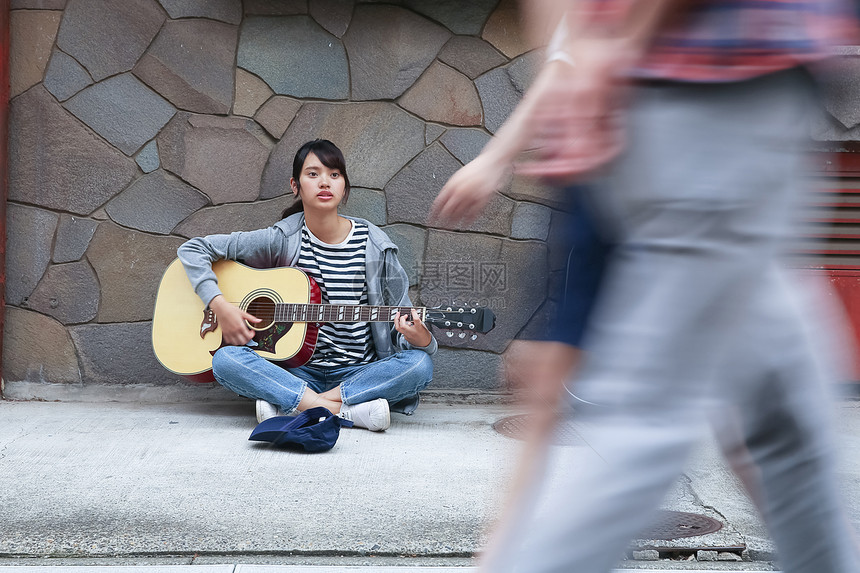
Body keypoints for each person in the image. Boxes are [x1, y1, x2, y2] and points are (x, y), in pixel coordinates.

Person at [433, 1, 860, 571]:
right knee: (647, 426)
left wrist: (590, 59)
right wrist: (616, 41)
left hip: (736, 101)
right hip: (709, 98)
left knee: (785, 420)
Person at [178, 139, 436, 431]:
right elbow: (193, 249)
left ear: (344, 186)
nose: (325, 182)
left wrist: (423, 340)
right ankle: (342, 412)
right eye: (313, 174)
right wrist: (220, 306)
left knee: (419, 365)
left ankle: (298, 405)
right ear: (295, 185)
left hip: (359, 374)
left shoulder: (373, 245)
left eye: (334, 174)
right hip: (294, 370)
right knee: (225, 360)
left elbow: (403, 319)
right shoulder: (281, 239)